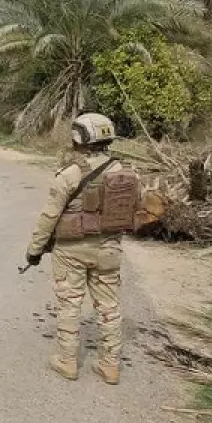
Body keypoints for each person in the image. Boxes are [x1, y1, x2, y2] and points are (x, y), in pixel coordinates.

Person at [23, 112, 142, 384]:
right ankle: (110, 367)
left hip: (71, 250)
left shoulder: (69, 174)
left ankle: (67, 362)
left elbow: (49, 217)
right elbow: (137, 206)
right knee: (109, 306)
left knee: (69, 305)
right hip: (109, 249)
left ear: (79, 138)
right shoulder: (127, 172)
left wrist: (34, 250)